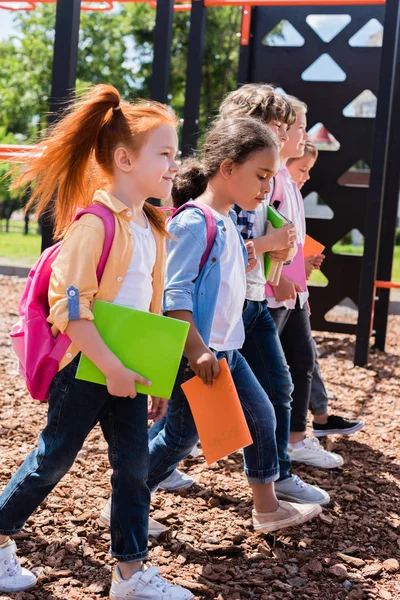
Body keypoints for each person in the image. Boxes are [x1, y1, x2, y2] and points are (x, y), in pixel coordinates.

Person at [0, 84, 193, 600]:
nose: (176, 165)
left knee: (133, 469)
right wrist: (111, 367)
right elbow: (70, 311)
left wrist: (156, 376)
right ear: (125, 159)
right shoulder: (94, 225)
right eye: (166, 154)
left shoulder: (152, 227)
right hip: (84, 371)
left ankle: (130, 576)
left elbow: (149, 314)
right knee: (53, 461)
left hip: (126, 372)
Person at [144, 116, 322, 533]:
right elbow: (176, 295)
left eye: (270, 177)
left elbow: (225, 279)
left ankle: (267, 507)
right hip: (201, 354)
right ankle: (125, 500)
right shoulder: (194, 222)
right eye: (260, 176)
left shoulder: (226, 221)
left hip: (225, 350)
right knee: (179, 437)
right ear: (226, 168)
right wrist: (197, 350)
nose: (266, 188)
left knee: (261, 417)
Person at [217, 85, 332, 503]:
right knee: (190, 417)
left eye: (289, 127)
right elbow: (229, 248)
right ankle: (145, 478)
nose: (286, 135)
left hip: (254, 303)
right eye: (279, 125)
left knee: (277, 385)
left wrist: (283, 258)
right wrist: (275, 260)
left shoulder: (269, 178)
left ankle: (275, 478)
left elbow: (263, 239)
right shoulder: (235, 182)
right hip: (232, 308)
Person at [263, 96, 344, 468]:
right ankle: (184, 435)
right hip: (272, 293)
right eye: (297, 127)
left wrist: (300, 287)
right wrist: (280, 278)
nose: (301, 133)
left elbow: (289, 239)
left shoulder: (288, 184)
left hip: (291, 293)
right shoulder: (273, 180)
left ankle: (293, 442)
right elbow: (262, 234)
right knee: (267, 377)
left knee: (301, 363)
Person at [286, 141, 364, 437]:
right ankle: (304, 428)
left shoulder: (292, 192)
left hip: (292, 293)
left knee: (305, 358)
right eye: (302, 169)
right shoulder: (278, 190)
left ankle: (316, 420)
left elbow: (291, 248)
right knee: (298, 362)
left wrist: (302, 281)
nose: (306, 176)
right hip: (278, 295)